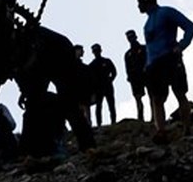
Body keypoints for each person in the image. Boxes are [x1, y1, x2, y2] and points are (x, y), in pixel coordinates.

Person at [13, 25, 96, 154]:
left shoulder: (34, 44)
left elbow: (29, 72)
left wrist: (27, 91)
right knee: (34, 104)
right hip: (44, 59)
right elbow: (21, 74)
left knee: (69, 103)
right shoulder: (15, 54)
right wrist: (25, 91)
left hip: (58, 54)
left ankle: (87, 145)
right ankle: (31, 150)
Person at [136, 0, 193, 139]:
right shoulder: (147, 23)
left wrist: (181, 45)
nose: (138, 5)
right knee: (157, 98)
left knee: (179, 93)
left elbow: (190, 26)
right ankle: (161, 131)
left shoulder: (166, 12)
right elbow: (151, 47)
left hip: (170, 58)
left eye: (139, 1)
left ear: (146, 0)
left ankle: (186, 128)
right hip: (154, 65)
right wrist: (147, 64)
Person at [87, 43, 118, 126]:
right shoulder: (92, 65)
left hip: (108, 86)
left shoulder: (107, 61)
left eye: (97, 50)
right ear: (93, 52)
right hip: (98, 88)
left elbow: (114, 72)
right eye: (95, 51)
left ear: (100, 50)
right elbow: (89, 79)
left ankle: (113, 121)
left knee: (111, 104)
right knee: (99, 106)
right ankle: (99, 124)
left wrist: (110, 80)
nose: (96, 52)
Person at [123, 29, 147, 122]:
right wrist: (129, 77)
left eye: (132, 37)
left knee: (152, 95)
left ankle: (154, 116)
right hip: (135, 78)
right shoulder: (128, 54)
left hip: (146, 75)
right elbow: (127, 68)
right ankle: (141, 117)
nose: (131, 39)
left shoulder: (144, 48)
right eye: (129, 38)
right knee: (138, 98)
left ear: (136, 37)